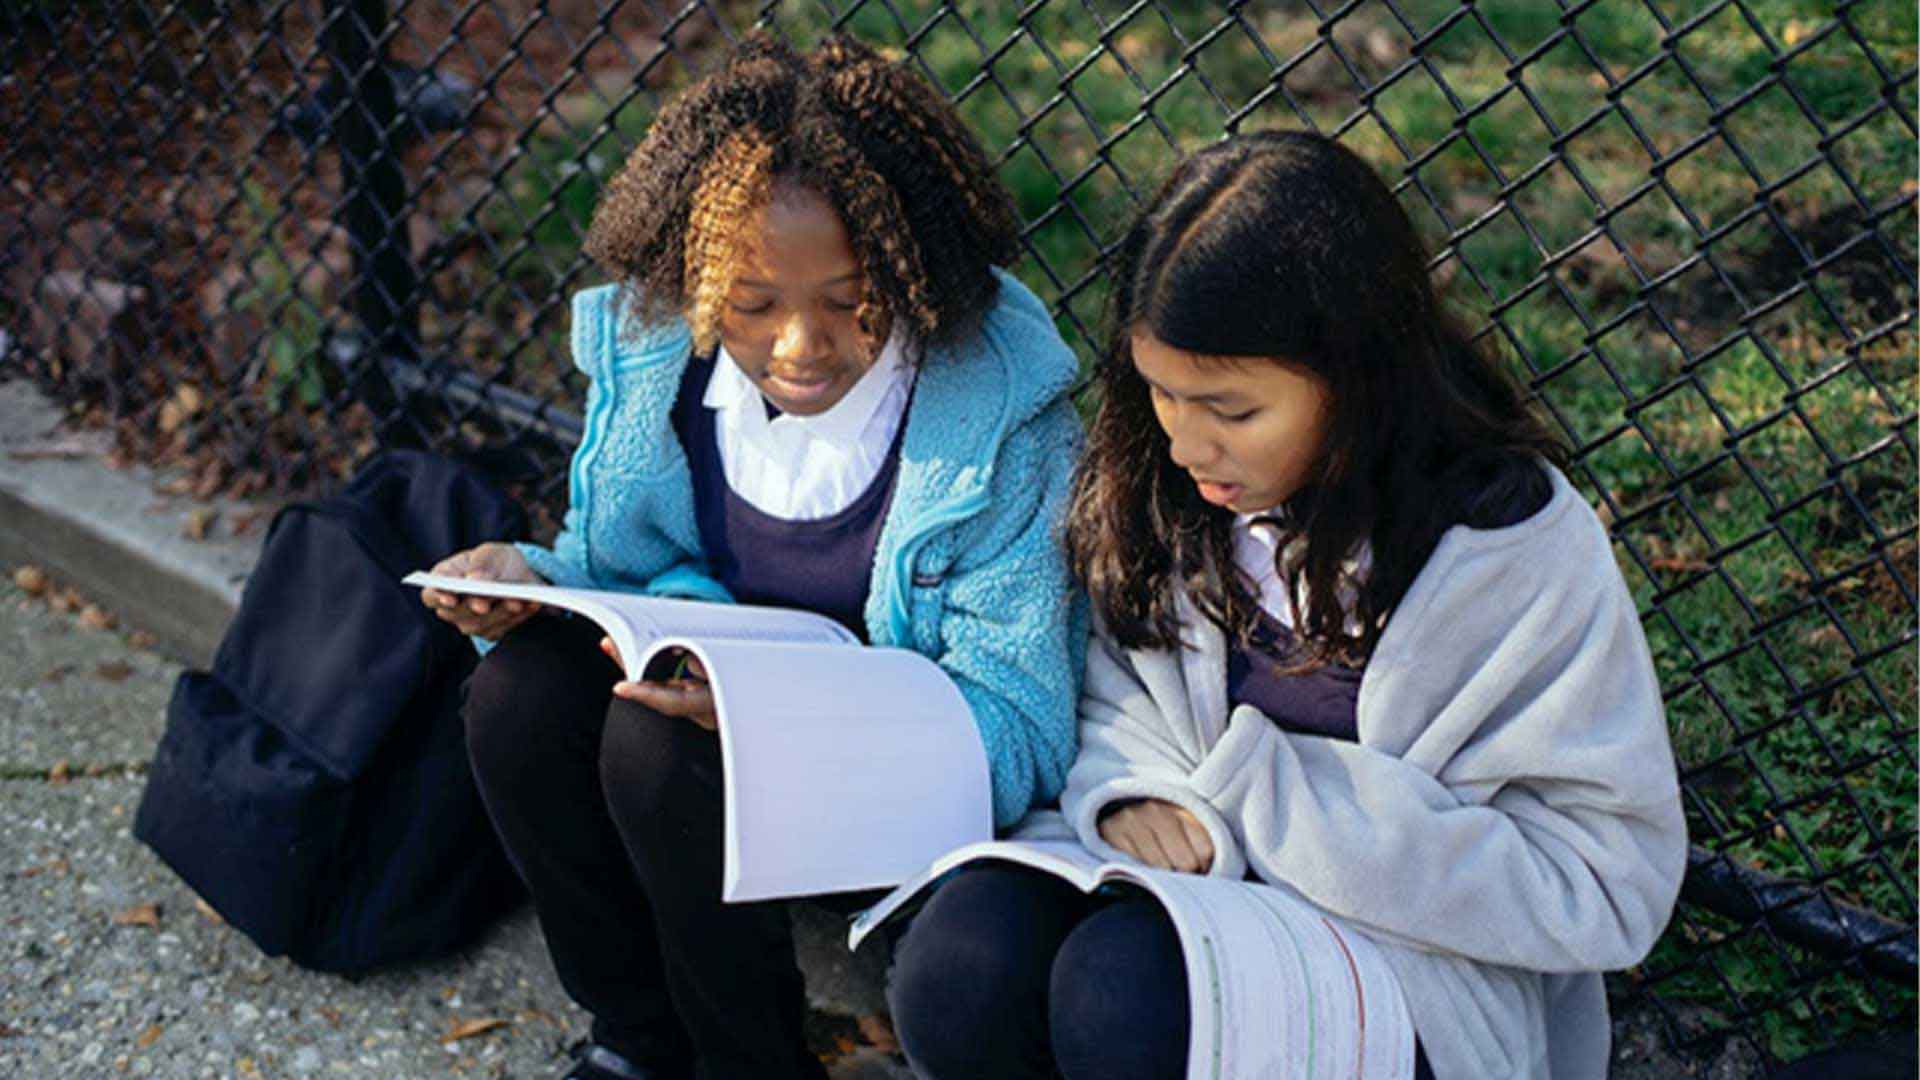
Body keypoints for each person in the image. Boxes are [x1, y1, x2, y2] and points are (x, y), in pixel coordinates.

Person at [886, 130, 1688, 1079]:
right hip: (1189, 897)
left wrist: (1267, 798)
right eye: (1161, 396)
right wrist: (1132, 789)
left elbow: (1605, 880)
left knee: (1125, 991)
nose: (1187, 444)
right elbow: (1117, 701)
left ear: (1358, 380)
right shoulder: (1171, 493)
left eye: (1232, 411)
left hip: (1410, 968)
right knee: (957, 966)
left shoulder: (1511, 552)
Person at [420, 34, 1086, 1080]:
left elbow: (1019, 727)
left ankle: (754, 1063)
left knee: (659, 748)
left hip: (902, 795)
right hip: (716, 756)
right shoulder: (664, 368)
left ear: (915, 265)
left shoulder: (999, 417)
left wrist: (781, 716)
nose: (799, 347)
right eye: (753, 304)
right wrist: (535, 584)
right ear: (695, 282)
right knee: (519, 698)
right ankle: (637, 1042)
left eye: (850, 297)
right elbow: (625, 581)